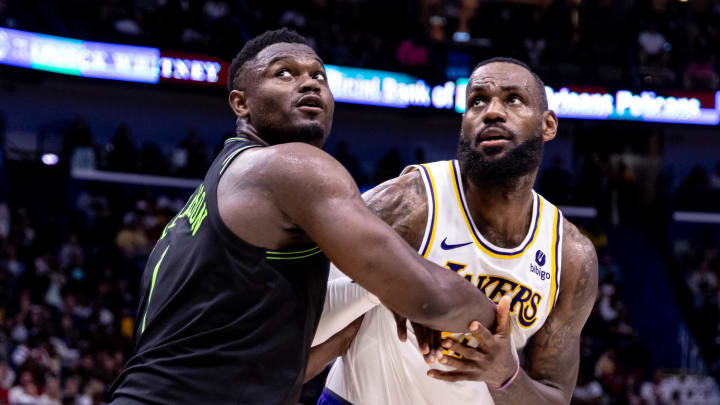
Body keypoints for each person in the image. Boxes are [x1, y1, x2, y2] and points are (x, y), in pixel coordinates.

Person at [108, 29, 499, 405]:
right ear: (240, 103)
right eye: (284, 73)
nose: (310, 83)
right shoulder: (293, 167)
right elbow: (429, 298)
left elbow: (254, 366)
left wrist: (363, 315)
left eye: (319, 76)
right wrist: (493, 319)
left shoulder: (207, 199)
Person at [312, 58, 599, 405]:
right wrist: (379, 289)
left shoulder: (570, 257)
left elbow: (553, 397)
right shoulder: (409, 203)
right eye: (477, 100)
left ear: (548, 125)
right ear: (464, 124)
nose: (492, 112)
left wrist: (505, 376)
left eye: (513, 99)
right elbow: (300, 313)